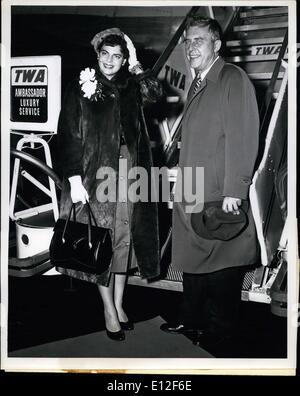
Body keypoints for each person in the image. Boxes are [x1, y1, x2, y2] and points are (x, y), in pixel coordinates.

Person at [160, 16, 260, 348]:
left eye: (198, 40)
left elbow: (243, 137)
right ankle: (191, 321)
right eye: (187, 41)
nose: (190, 47)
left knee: (223, 267)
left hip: (219, 193)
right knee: (192, 261)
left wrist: (236, 189)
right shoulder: (199, 81)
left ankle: (221, 333)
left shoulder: (232, 78)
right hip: (193, 190)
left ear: (216, 44)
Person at [57, 28, 162, 341]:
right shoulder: (81, 86)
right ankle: (108, 309)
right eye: (105, 54)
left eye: (118, 56)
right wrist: (74, 178)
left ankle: (118, 303)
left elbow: (155, 93)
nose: (110, 61)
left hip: (132, 168)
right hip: (96, 173)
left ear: (124, 58)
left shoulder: (131, 85)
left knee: (125, 239)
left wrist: (137, 65)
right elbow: (69, 135)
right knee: (105, 239)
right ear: (97, 55)